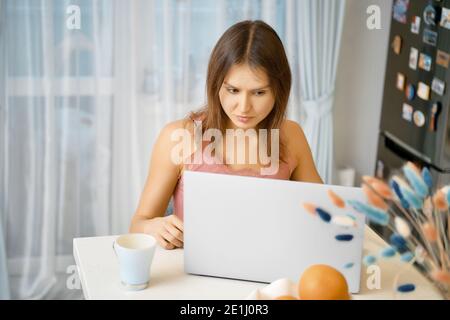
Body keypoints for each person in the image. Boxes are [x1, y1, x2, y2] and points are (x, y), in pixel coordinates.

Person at [129, 20, 323, 250]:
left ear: (279, 90)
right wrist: (154, 228)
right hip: (194, 274)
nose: (243, 107)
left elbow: (324, 217)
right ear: (215, 84)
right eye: (233, 90)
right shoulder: (179, 136)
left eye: (259, 92)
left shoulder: (291, 136)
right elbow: (138, 225)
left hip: (268, 273)